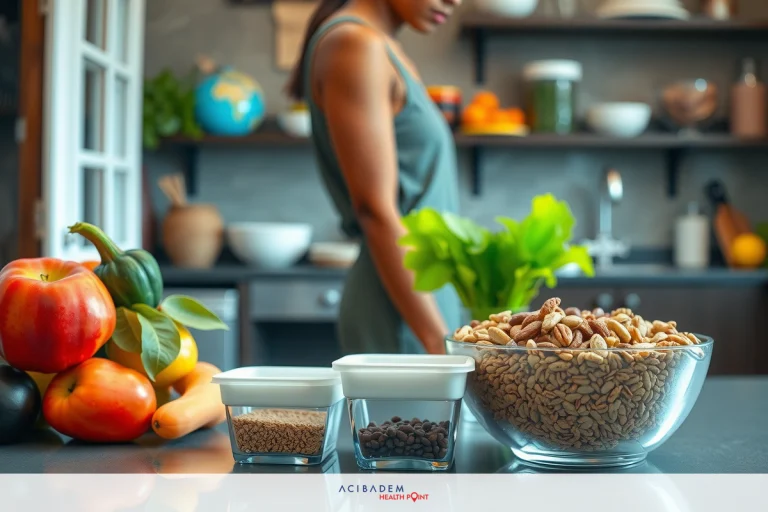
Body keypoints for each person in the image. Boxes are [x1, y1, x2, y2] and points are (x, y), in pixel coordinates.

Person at [286, 0, 463, 355]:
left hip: (420, 301)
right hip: (404, 313)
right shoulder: (355, 44)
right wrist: (436, 340)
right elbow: (375, 210)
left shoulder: (381, 46)